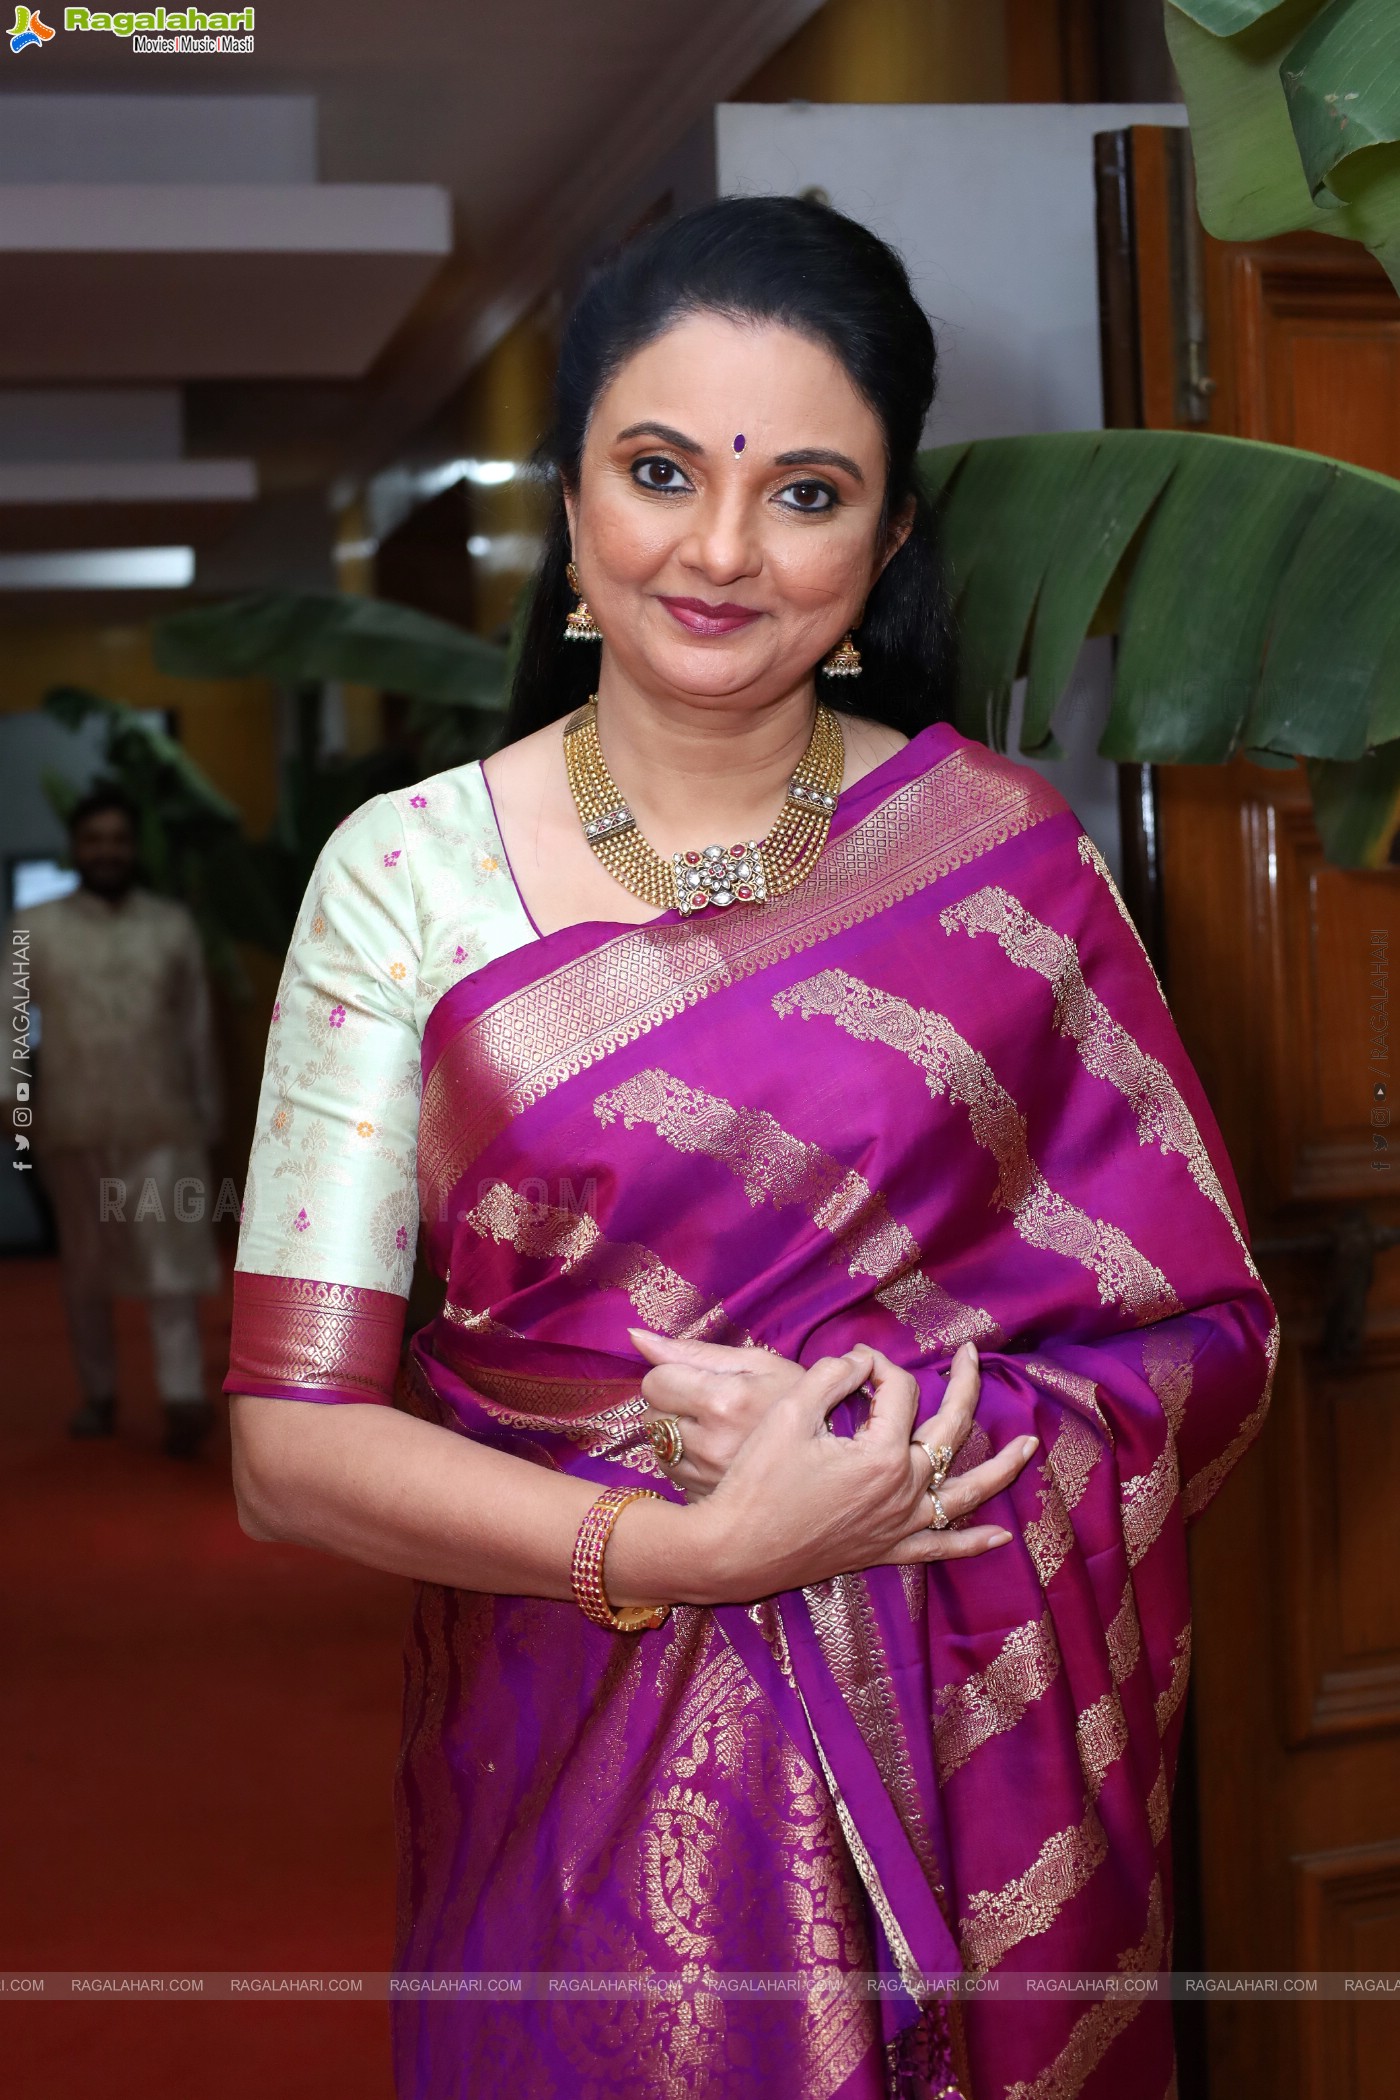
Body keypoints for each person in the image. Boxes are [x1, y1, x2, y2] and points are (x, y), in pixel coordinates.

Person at [226, 196, 1276, 2100]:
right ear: (568, 506)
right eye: (658, 470)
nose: (720, 549)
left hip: (956, 1802)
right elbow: (291, 1449)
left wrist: (894, 1449)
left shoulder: (1011, 867)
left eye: (804, 492)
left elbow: (1201, 1345)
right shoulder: (404, 882)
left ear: (882, 548)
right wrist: (689, 1548)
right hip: (560, 1761)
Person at [26, 783, 222, 1459]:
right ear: (75, 849)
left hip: (160, 1121)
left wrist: (210, 1114)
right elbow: (6, 1017)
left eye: (117, 840)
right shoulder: (34, 928)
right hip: (71, 1121)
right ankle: (98, 1395)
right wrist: (9, 1100)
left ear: (133, 849)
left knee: (171, 1266)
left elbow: (196, 1029)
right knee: (84, 1269)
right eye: (93, 840)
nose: (105, 851)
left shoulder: (170, 926)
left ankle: (181, 1397)